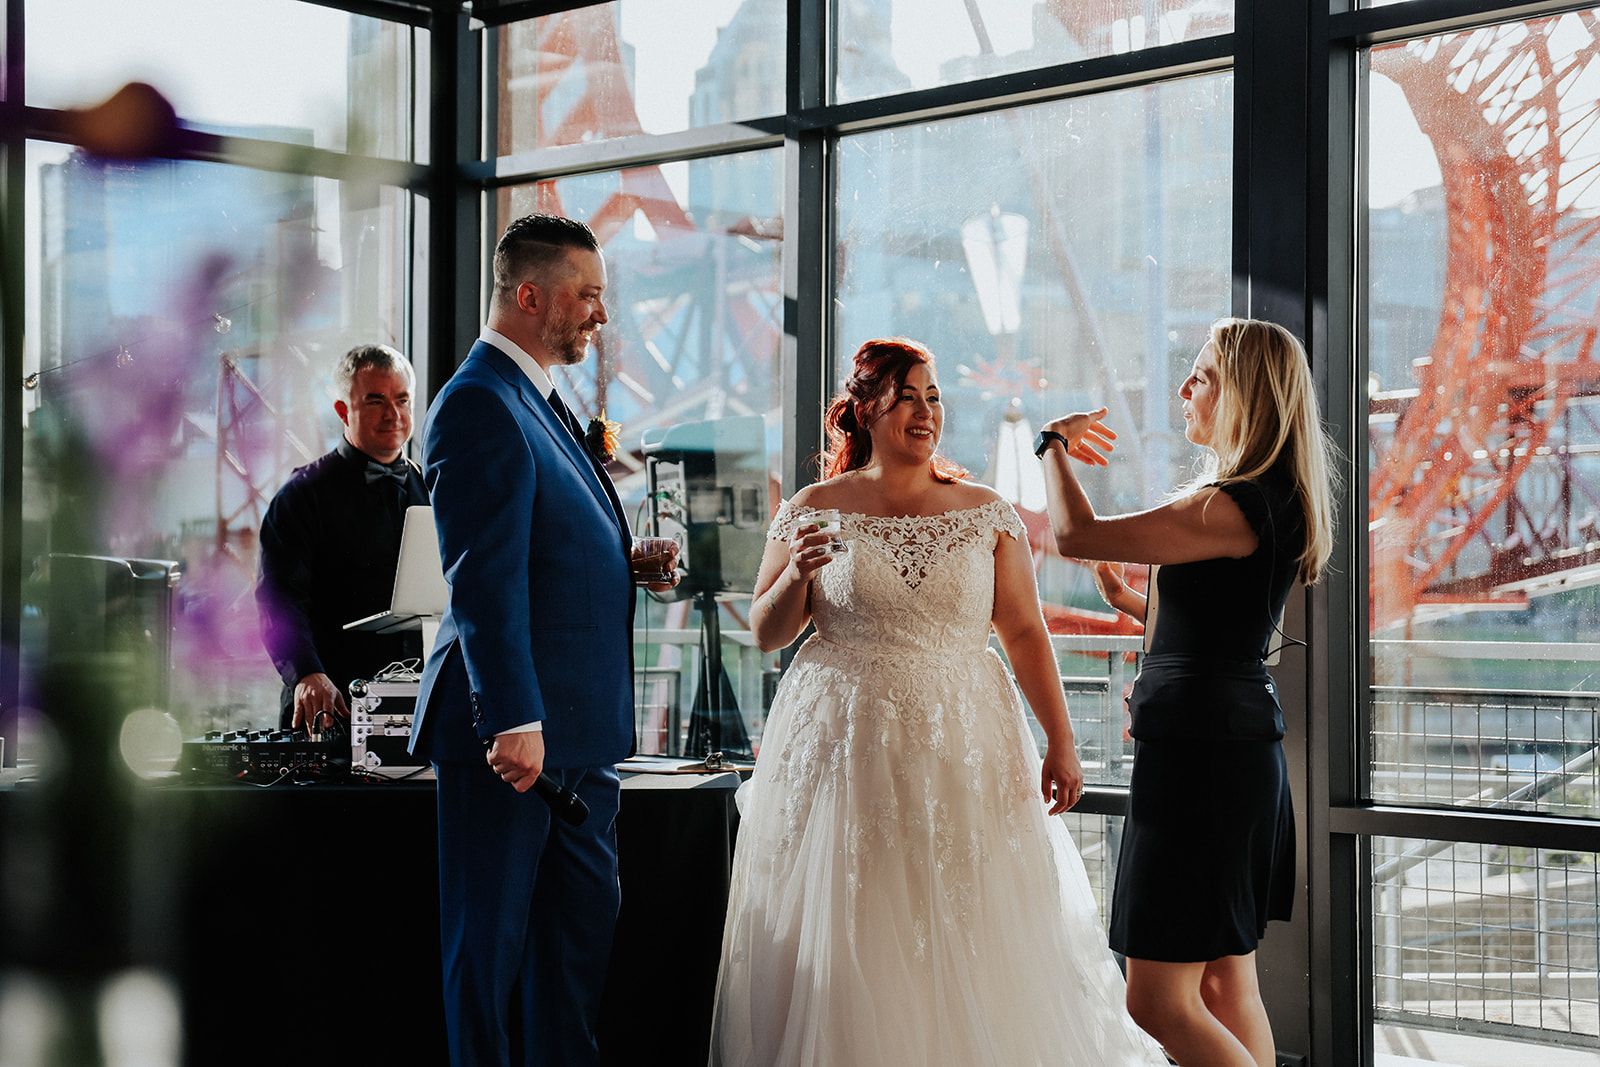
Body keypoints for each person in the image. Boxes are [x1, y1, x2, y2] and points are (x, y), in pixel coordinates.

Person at [711, 337, 1165, 1065]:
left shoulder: (985, 512)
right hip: (846, 752)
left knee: (974, 920)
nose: (926, 413)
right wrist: (795, 572)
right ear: (865, 409)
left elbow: (1023, 629)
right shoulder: (813, 508)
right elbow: (768, 632)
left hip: (966, 744)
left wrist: (1062, 739)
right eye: (907, 398)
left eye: (934, 398)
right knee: (862, 925)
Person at [409, 213, 675, 1066]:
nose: (601, 313)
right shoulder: (479, 402)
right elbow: (481, 577)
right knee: (485, 956)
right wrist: (513, 715)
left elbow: (537, 545)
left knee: (573, 955)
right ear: (530, 295)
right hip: (514, 740)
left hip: (578, 739)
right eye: (587, 295)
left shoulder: (542, 399)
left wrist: (621, 556)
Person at [1038, 317, 1338, 1067]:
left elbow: (1073, 532)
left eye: (1200, 375)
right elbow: (1226, 630)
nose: (1183, 388)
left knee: (1156, 999)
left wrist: (1051, 444)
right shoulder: (1270, 499)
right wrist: (1137, 603)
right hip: (1231, 756)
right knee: (1224, 984)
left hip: (1202, 767)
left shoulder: (1230, 503)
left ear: (1242, 395)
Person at [256, 343, 427, 733]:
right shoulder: (301, 495)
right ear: (341, 411)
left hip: (418, 714)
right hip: (330, 707)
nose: (393, 414)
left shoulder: (435, 489)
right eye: (375, 401)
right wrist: (306, 674)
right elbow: (278, 602)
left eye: (402, 400)